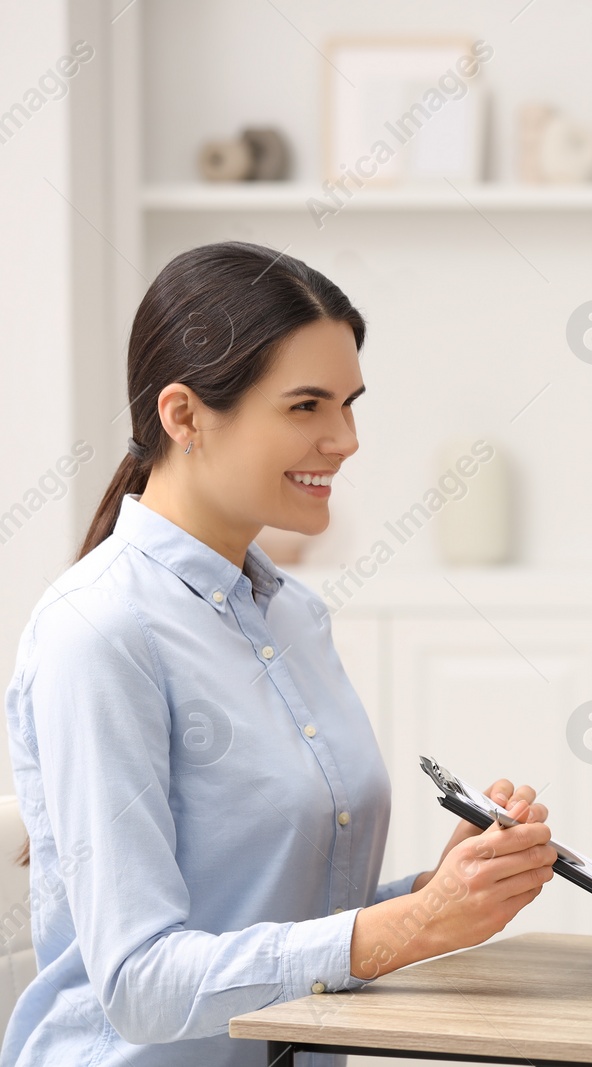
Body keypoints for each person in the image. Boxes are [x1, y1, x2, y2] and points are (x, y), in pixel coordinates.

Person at [2, 242, 558, 1066]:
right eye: (306, 406)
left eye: (349, 403)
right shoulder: (99, 631)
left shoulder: (293, 616)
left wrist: (442, 894)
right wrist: (409, 926)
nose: (346, 438)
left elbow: (279, 920)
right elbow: (141, 984)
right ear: (184, 415)